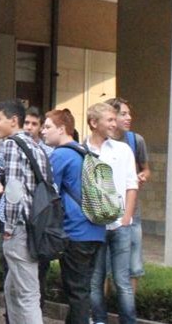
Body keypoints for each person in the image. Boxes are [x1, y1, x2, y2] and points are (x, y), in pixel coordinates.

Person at [41, 108, 106, 324]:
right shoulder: (84, 151)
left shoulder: (61, 154)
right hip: (96, 229)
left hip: (76, 231)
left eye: (48, 126)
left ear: (62, 129)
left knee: (76, 292)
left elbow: (48, 194)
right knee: (83, 289)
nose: (43, 131)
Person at [0, 99, 50, 324]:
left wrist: (10, 228)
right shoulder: (35, 145)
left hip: (19, 229)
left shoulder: (13, 144)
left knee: (27, 294)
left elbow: (14, 189)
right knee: (13, 290)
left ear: (13, 120)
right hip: (34, 226)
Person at [86, 102, 140, 324]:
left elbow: (131, 185)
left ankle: (129, 321)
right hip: (94, 227)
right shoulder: (82, 151)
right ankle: (99, 320)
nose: (113, 123)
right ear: (93, 123)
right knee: (95, 280)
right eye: (109, 119)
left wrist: (126, 218)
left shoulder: (122, 149)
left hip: (120, 225)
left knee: (122, 281)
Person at [104, 97, 151, 294]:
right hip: (104, 211)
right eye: (123, 114)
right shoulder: (99, 141)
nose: (128, 118)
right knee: (102, 265)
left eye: (129, 114)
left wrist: (142, 175)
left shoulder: (135, 140)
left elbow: (146, 169)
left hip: (131, 211)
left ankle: (127, 306)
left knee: (133, 264)